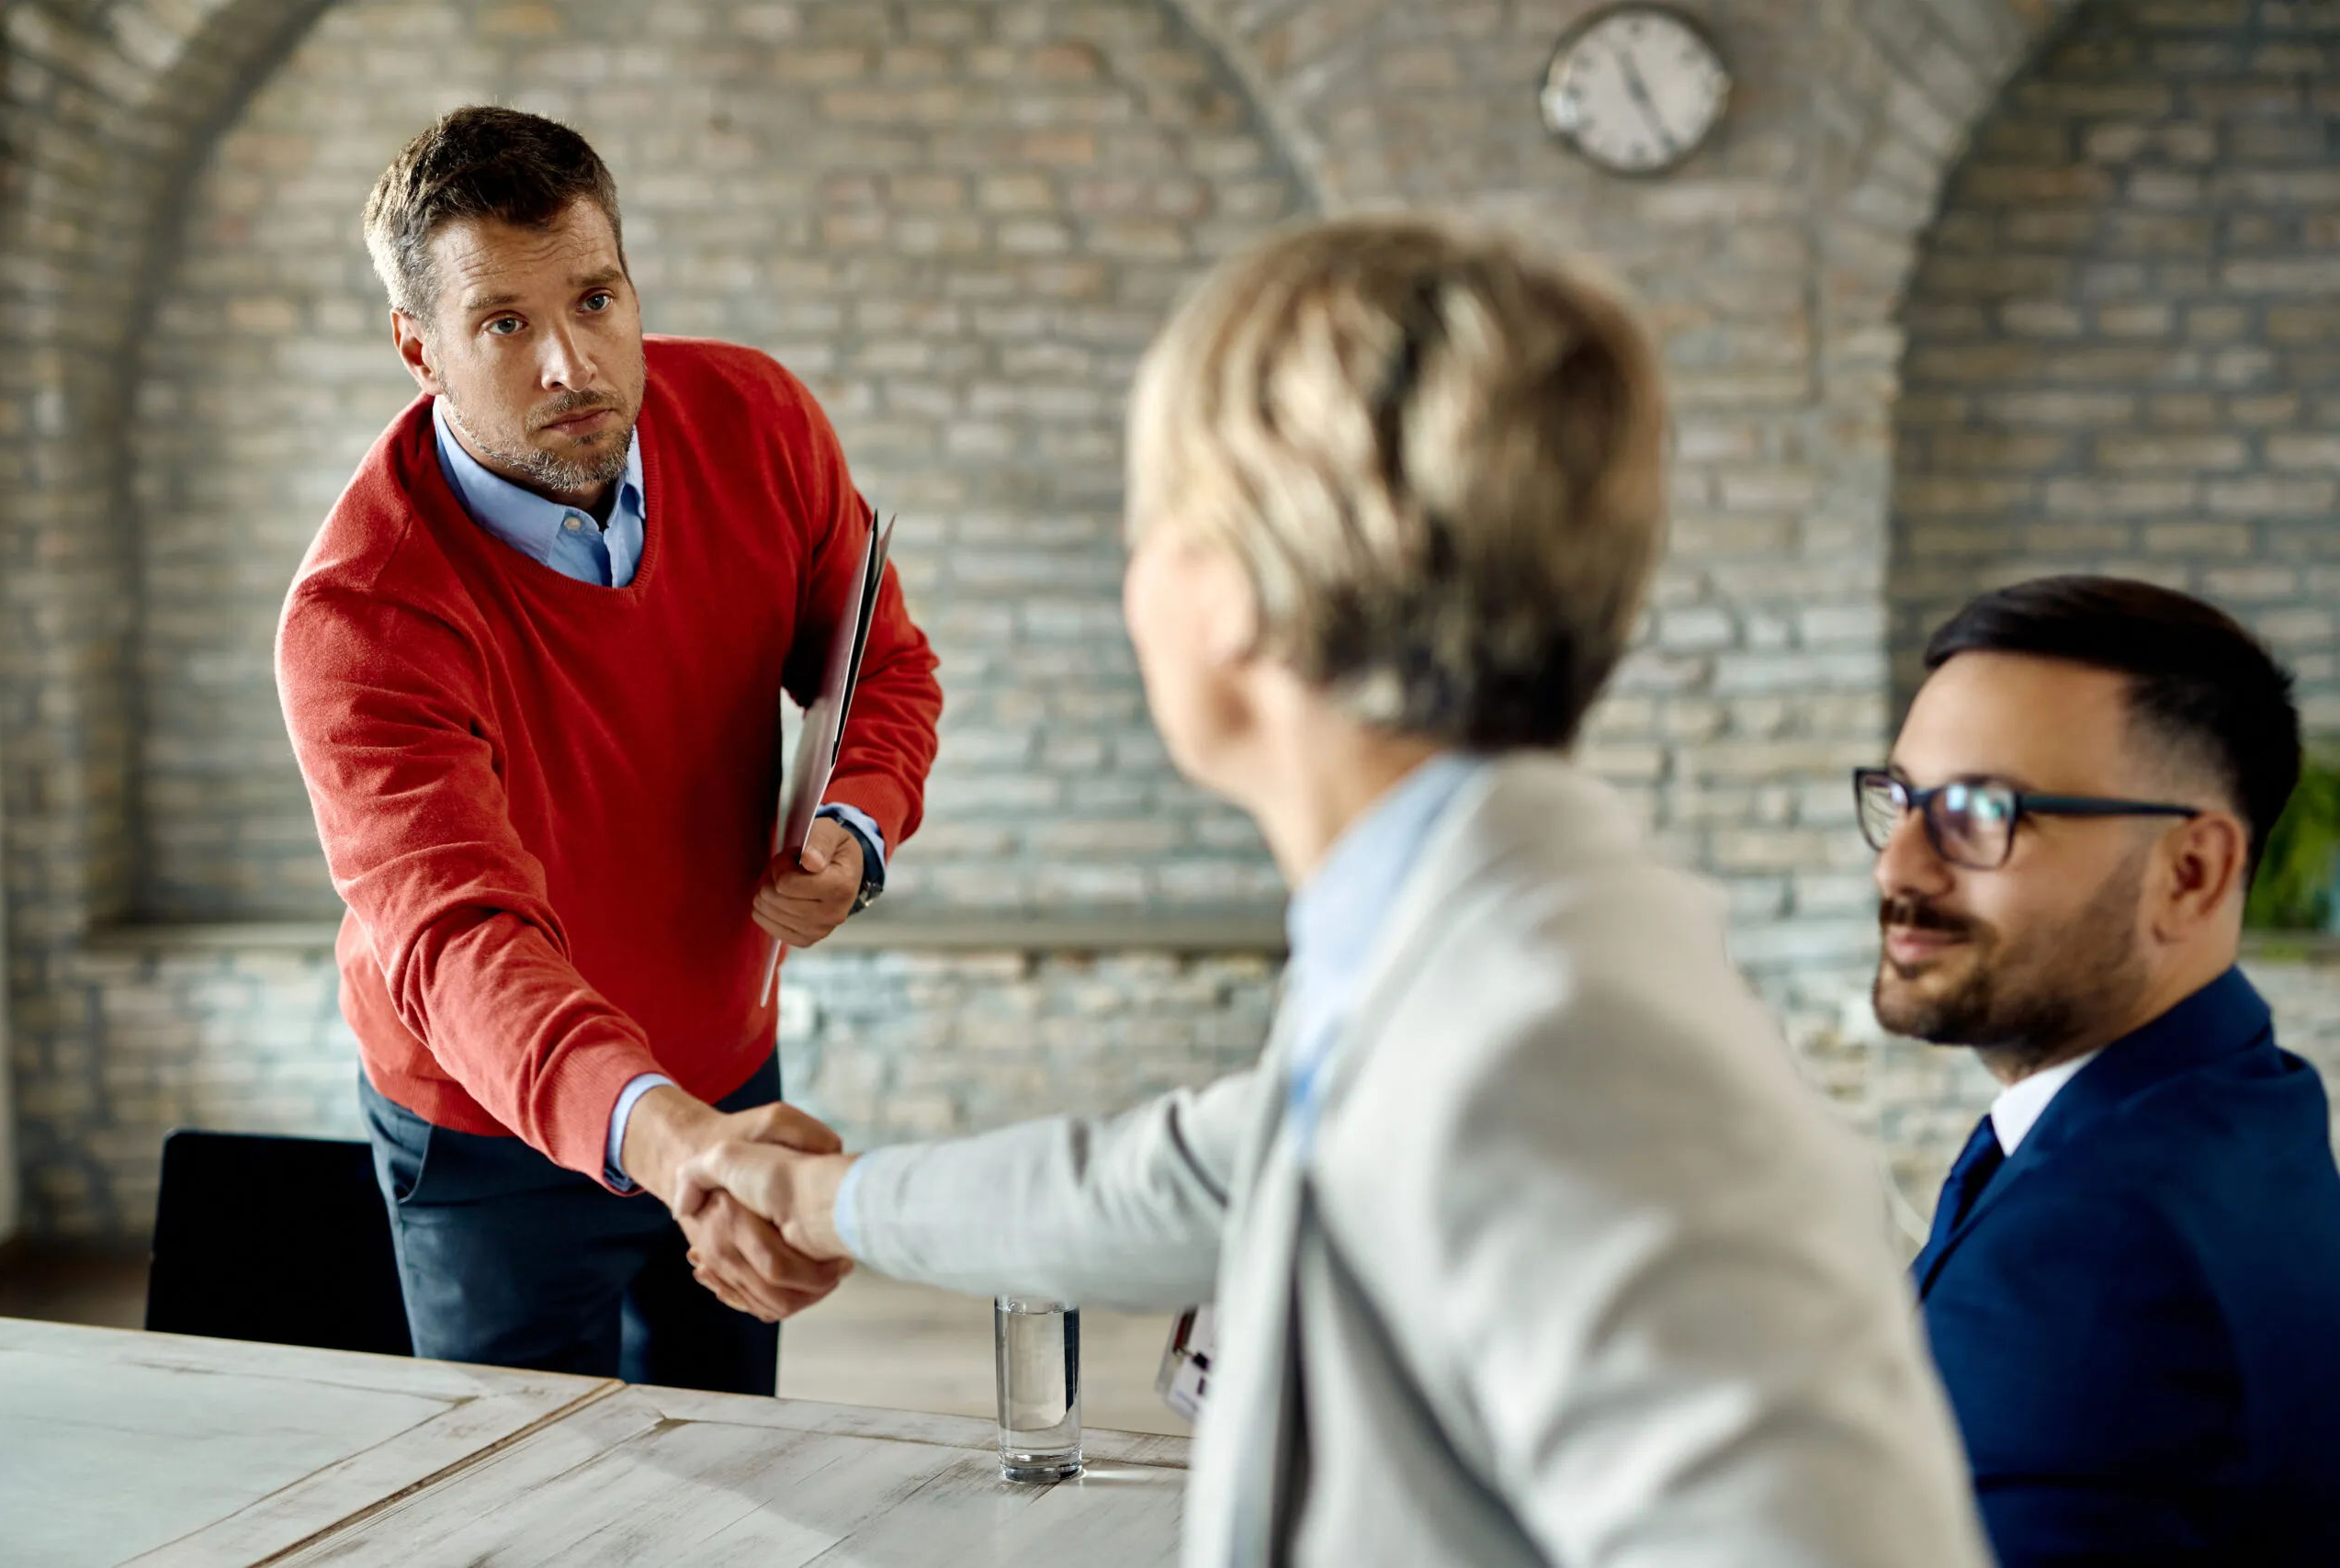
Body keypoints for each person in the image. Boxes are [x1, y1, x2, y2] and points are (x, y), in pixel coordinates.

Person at [673, 218, 1991, 1567]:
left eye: (1150, 525)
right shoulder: (1442, 947)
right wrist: (831, 1199)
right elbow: (1193, 1178)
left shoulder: (1563, 1053)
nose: (1133, 579)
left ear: (1233, 592)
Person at [276, 107, 942, 1393]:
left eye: (595, 297)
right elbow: (461, 943)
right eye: (505, 323)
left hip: (725, 1066)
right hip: (486, 1131)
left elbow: (884, 669)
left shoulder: (762, 422)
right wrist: (672, 1139)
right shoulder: (359, 615)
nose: (570, 364)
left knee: (733, 1451)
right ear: (419, 348)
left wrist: (854, 830)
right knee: (525, 1503)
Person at [1862, 575, 2340, 1565]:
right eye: (1901, 800)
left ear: (2190, 872)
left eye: (1979, 811)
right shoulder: (2249, 1098)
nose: (1897, 868)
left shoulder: (2094, 1259)